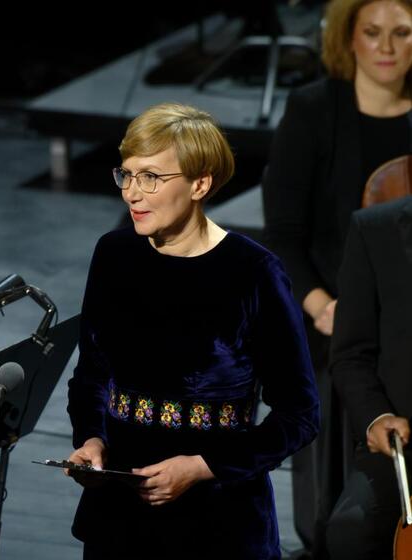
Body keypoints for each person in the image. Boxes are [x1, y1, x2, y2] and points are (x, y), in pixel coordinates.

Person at [67, 103, 320, 559]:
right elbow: (92, 373)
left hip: (218, 523)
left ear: (200, 184)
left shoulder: (254, 272)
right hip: (119, 519)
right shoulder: (114, 253)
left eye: (151, 177)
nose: (132, 193)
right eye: (127, 174)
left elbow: (299, 416)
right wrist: (91, 440)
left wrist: (202, 467)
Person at [261, 0, 412, 552]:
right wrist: (323, 305)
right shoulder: (313, 109)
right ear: (349, 37)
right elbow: (283, 234)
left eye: (403, 33)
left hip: (402, 316)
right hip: (328, 309)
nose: (387, 47)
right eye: (373, 32)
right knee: (336, 376)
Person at [327, 195, 412, 559]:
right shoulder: (374, 229)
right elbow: (350, 355)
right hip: (404, 443)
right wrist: (377, 417)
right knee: (351, 530)